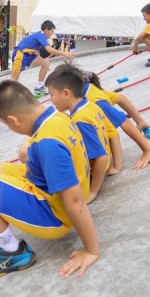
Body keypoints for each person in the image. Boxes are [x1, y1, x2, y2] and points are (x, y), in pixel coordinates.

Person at [0, 81, 99, 279]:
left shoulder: (48, 144)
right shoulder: (56, 117)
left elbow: (75, 202)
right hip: (46, 186)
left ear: (13, 120)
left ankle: (13, 252)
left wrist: (91, 250)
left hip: (55, 216)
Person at [46, 65, 111, 203]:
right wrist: (117, 164)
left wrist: (92, 192)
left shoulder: (79, 120)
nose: (50, 100)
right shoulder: (91, 106)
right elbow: (113, 134)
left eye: (51, 95)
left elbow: (101, 158)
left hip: (94, 175)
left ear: (65, 93)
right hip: (102, 169)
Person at [82, 70, 150, 174]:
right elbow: (121, 98)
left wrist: (147, 150)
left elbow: (124, 123)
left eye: (53, 94)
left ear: (67, 93)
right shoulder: (89, 88)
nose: (51, 100)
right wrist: (140, 121)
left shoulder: (95, 102)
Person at [9, 20, 75, 93]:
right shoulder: (41, 36)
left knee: (45, 64)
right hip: (20, 55)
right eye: (52, 31)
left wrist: (42, 61)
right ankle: (8, 96)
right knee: (14, 80)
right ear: (46, 30)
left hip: (29, 54)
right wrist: (65, 53)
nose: (52, 33)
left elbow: (35, 50)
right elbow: (49, 49)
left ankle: (39, 87)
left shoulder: (40, 35)